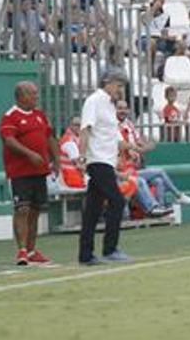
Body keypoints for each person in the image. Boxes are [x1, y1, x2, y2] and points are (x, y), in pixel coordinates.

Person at [0, 81, 60, 266]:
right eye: (32, 93)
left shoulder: (40, 115)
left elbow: (49, 137)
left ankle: (32, 251)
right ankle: (22, 251)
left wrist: (56, 160)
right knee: (22, 209)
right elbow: (8, 141)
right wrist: (30, 154)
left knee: (35, 211)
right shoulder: (10, 117)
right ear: (21, 96)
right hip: (19, 173)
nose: (36, 97)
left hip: (40, 172)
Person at [78, 69, 131, 265]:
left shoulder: (109, 106)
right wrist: (82, 157)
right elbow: (86, 129)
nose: (120, 90)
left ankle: (86, 254)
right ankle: (110, 248)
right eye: (118, 85)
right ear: (107, 82)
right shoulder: (94, 101)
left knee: (92, 209)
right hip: (98, 161)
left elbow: (113, 136)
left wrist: (133, 147)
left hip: (106, 160)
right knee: (117, 201)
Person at [116, 100, 190, 212]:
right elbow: (127, 147)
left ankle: (160, 208)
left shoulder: (129, 124)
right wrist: (138, 149)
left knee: (159, 181)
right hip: (125, 171)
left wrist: (142, 148)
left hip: (133, 168)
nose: (122, 111)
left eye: (124, 108)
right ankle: (177, 196)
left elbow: (142, 144)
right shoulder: (113, 127)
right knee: (159, 172)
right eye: (119, 108)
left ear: (128, 110)